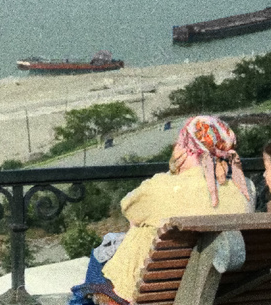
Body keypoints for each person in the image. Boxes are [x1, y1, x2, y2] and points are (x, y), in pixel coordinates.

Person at [71, 116, 254, 305]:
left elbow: (128, 208)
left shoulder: (162, 186)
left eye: (180, 142)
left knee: (101, 256)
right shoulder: (245, 189)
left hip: (153, 294)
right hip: (215, 290)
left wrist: (173, 171)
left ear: (188, 149)